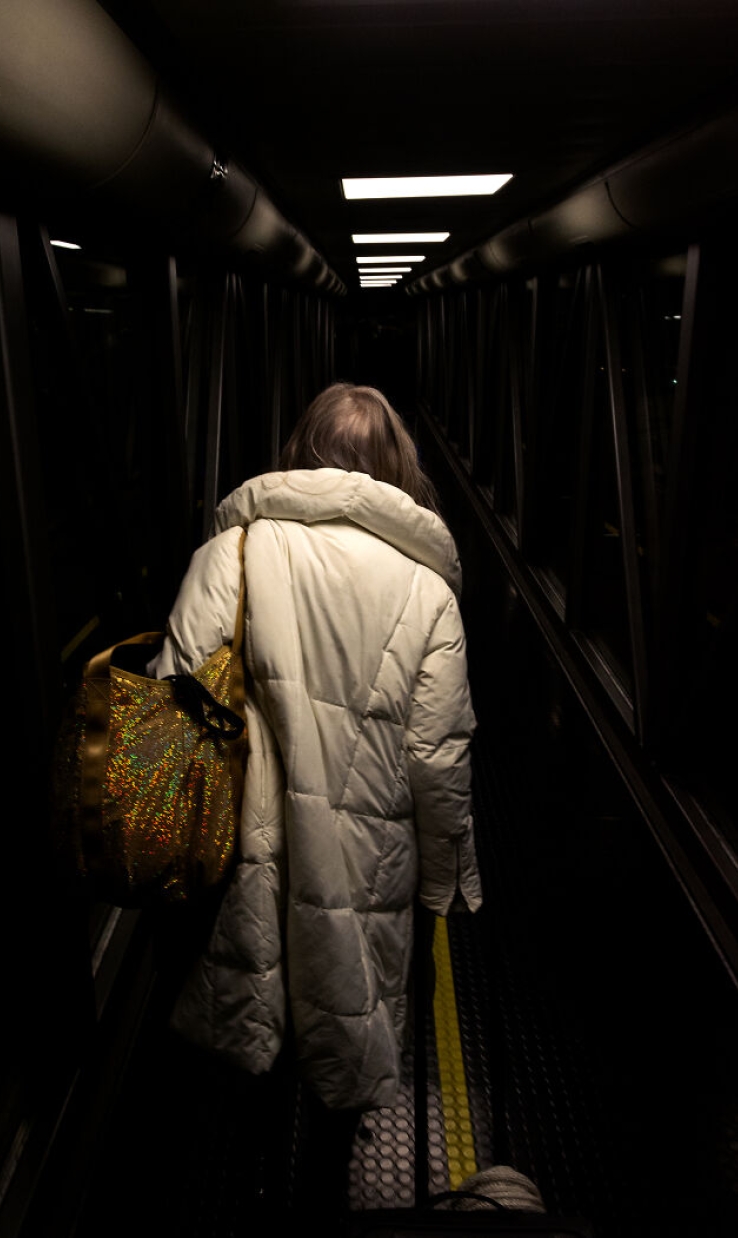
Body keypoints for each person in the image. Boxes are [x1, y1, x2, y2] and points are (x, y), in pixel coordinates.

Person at [149, 381, 482, 1227]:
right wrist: (444, 882)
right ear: (394, 466)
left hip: (246, 842)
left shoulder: (234, 552)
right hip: (369, 857)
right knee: (346, 1015)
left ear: (301, 450)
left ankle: (256, 1183)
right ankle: (323, 1199)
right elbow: (435, 759)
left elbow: (172, 700)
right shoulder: (426, 589)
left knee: (259, 1018)